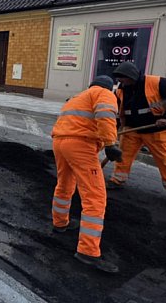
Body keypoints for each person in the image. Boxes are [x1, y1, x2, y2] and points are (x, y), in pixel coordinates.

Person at [51, 75, 122, 273]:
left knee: (64, 184)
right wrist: (110, 144)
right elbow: (106, 115)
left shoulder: (77, 97)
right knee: (95, 196)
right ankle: (88, 251)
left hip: (60, 142)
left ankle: (60, 223)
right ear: (109, 87)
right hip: (80, 145)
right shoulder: (104, 93)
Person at [107, 61, 166, 207]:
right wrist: (115, 130)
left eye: (122, 78)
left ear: (131, 76)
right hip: (131, 129)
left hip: (155, 130)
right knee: (122, 156)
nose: (120, 81)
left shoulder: (158, 83)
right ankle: (117, 180)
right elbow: (117, 112)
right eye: (119, 78)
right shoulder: (120, 90)